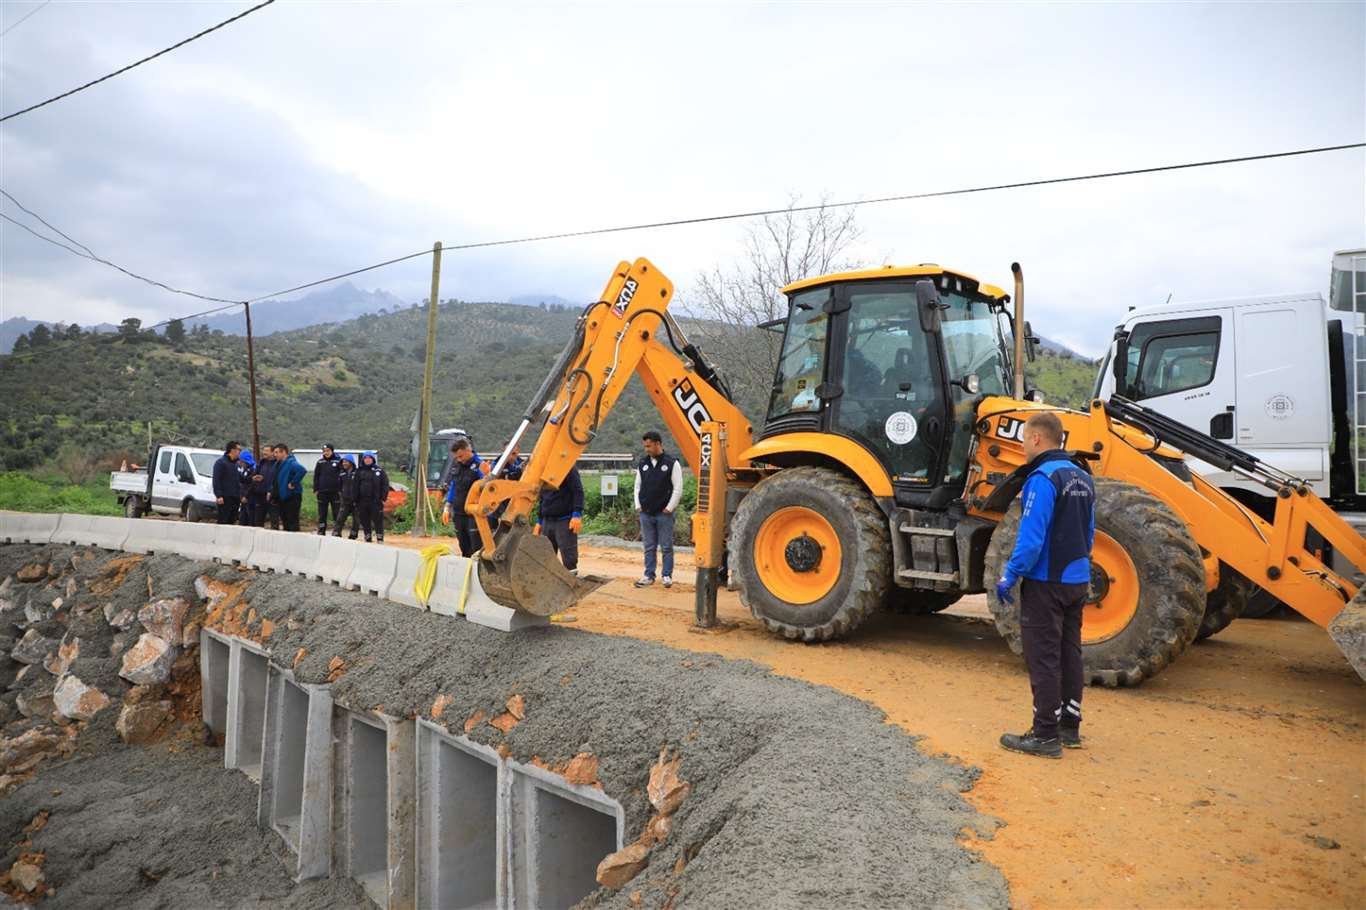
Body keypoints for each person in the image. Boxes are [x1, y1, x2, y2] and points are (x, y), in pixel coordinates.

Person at [994, 411, 1096, 759]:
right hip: (1077, 580)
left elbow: (1031, 538)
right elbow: (1090, 532)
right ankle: (1069, 727)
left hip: (1046, 582)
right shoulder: (1082, 476)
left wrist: (1010, 574)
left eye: (1023, 440)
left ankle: (1045, 735)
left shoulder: (1042, 478)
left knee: (1044, 657)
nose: (1022, 447)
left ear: (1036, 439)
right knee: (1070, 652)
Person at [634, 430, 682, 588]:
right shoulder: (643, 463)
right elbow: (637, 486)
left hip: (664, 513)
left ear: (658, 444)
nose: (647, 449)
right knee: (649, 546)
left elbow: (678, 488)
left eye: (649, 446)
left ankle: (667, 575)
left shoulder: (672, 463)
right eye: (645, 447)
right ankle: (649, 575)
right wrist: (638, 505)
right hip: (646, 513)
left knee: (666, 546)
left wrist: (669, 507)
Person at [534, 465, 584, 572]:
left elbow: (578, 491)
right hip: (547, 521)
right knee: (546, 556)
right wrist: (539, 521)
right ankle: (549, 582)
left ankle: (571, 581)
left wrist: (576, 514)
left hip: (564, 520)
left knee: (569, 557)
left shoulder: (568, 468)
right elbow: (543, 497)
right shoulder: (544, 471)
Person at [443, 437, 486, 557]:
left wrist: (487, 475)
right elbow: (453, 485)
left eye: (460, 456)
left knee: (476, 548)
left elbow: (486, 487)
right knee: (463, 546)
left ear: (468, 451)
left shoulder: (479, 466)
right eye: (456, 457)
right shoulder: (457, 465)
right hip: (458, 512)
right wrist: (447, 505)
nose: (459, 459)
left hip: (473, 514)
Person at [354, 451, 390, 543]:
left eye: (370, 458)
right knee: (365, 519)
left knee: (378, 520)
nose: (367, 459)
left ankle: (380, 538)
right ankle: (368, 536)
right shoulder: (359, 471)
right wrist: (355, 499)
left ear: (373, 459)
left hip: (376, 501)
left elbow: (385, 485)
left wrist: (383, 498)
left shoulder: (379, 471)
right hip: (362, 501)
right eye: (366, 458)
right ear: (363, 459)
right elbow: (355, 485)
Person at [274, 444, 307, 532]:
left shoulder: (291, 462)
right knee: (285, 521)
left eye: (277, 452)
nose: (275, 455)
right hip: (283, 496)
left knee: (292, 520)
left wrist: (293, 482)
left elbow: (302, 470)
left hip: (292, 496)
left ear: (284, 452)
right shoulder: (278, 464)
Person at [313, 444, 344, 535]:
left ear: (332, 451)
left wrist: (341, 490)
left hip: (335, 492)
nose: (326, 452)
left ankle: (337, 531)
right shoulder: (320, 462)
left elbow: (342, 476)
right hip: (322, 492)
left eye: (328, 450)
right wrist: (316, 489)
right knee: (322, 513)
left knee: (336, 512)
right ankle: (322, 530)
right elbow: (316, 476)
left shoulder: (338, 461)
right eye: (324, 451)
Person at [212, 441, 243, 525]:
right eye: (238, 449)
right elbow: (216, 480)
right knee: (223, 521)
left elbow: (240, 479)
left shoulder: (236, 464)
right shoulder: (221, 463)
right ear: (232, 450)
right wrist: (219, 495)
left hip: (235, 498)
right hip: (225, 498)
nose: (240, 452)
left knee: (232, 521)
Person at [251, 448, 279, 529]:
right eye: (264, 451)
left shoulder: (277, 464)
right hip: (260, 495)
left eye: (267, 451)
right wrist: (256, 477)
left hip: (272, 496)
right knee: (258, 521)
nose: (264, 452)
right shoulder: (261, 463)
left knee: (274, 520)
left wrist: (271, 491)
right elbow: (254, 475)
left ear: (273, 453)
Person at [333, 456, 359, 539]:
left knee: (356, 519)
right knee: (340, 518)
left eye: (346, 462)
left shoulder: (358, 473)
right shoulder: (342, 473)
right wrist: (342, 495)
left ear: (351, 462)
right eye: (343, 462)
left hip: (356, 500)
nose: (344, 463)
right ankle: (336, 533)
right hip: (345, 500)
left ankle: (353, 535)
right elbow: (339, 486)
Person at [236, 450, 256, 526]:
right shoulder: (243, 470)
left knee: (250, 519)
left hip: (250, 499)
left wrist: (246, 496)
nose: (240, 463)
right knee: (242, 519)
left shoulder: (253, 470)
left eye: (242, 461)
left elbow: (252, 485)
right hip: (243, 498)